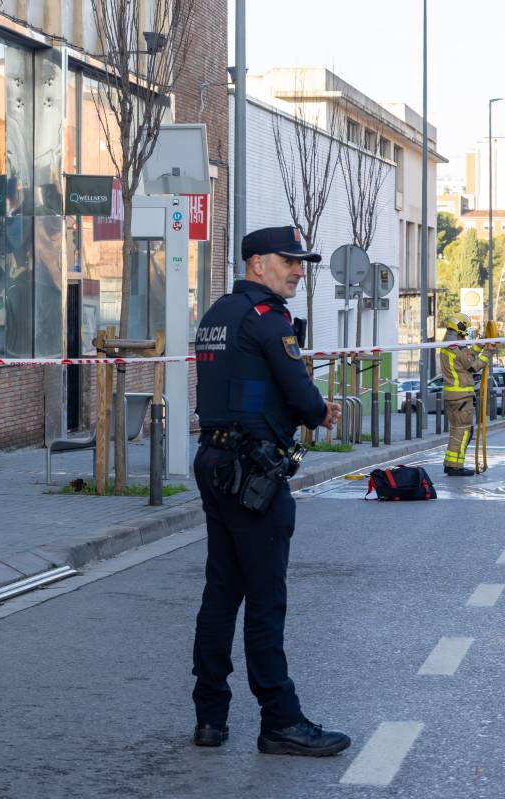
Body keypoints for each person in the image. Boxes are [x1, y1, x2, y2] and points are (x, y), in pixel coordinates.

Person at [190, 226, 350, 756]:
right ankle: (280, 720)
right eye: (290, 261)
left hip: (214, 461)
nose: (299, 270)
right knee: (265, 602)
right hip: (253, 472)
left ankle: (209, 717)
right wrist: (316, 409)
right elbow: (298, 390)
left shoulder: (216, 314)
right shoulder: (267, 318)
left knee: (220, 594)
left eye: (301, 262)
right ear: (257, 263)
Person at [438, 313, 490, 477]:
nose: (465, 332)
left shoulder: (449, 345)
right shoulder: (457, 347)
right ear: (459, 327)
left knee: (456, 431)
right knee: (463, 432)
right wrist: (488, 352)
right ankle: (455, 467)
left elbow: (467, 356)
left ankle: (450, 463)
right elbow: (473, 366)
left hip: (452, 396)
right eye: (465, 328)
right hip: (461, 397)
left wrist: (480, 345)